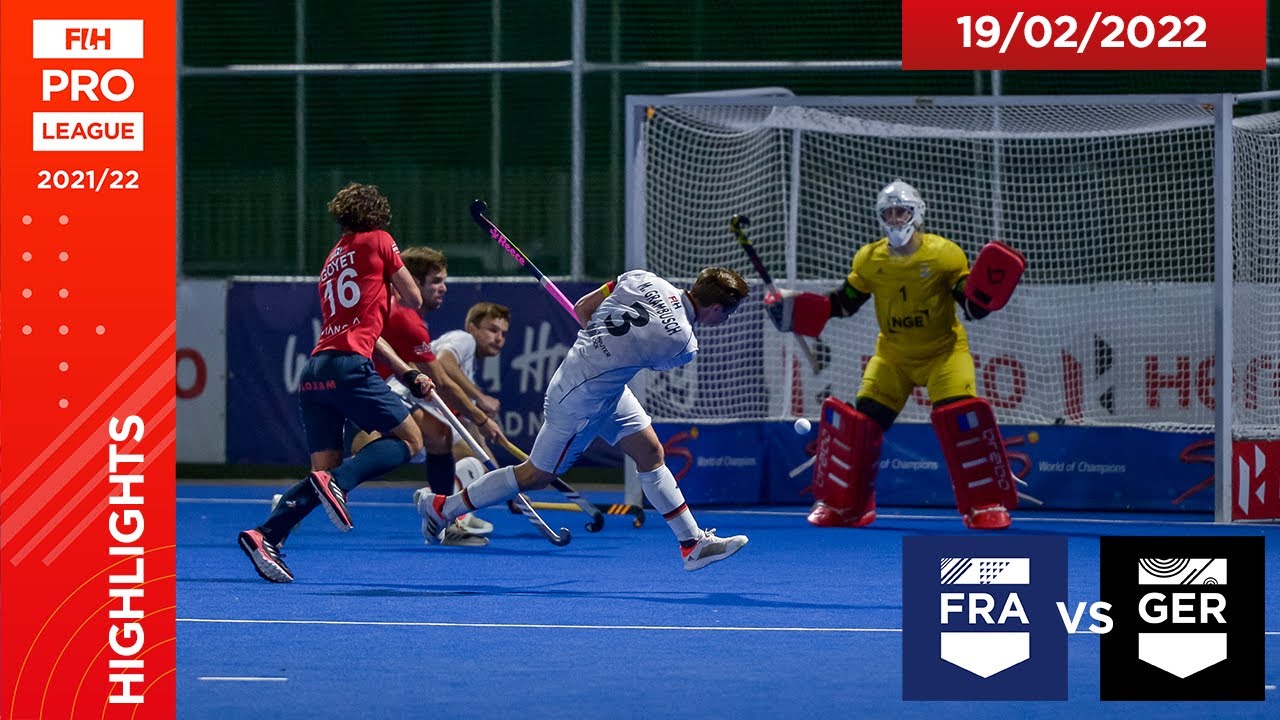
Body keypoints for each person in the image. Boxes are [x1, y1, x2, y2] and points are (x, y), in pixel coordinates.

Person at [417, 267, 753, 571]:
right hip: (581, 401)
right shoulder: (684, 343)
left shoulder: (643, 278)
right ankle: (443, 507)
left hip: (603, 387)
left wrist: (599, 342)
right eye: (729, 313)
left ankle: (692, 544)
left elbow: (582, 309)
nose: (725, 320)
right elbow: (650, 360)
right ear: (716, 308)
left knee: (650, 452)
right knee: (535, 475)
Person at [766, 179, 1026, 530]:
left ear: (916, 214)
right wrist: (795, 310)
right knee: (859, 427)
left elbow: (969, 302)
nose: (895, 218)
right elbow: (843, 304)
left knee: (961, 421)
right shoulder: (869, 259)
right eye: (888, 213)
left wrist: (983, 298)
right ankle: (848, 505)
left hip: (944, 354)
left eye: (901, 211)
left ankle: (985, 504)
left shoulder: (944, 253)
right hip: (893, 357)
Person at [238, 182, 436, 583]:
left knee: (319, 470)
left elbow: (365, 327)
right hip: (349, 367)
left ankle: (266, 535)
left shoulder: (332, 259)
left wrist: (405, 371)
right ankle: (341, 482)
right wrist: (391, 285)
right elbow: (414, 298)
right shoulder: (380, 240)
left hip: (316, 370)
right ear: (378, 214)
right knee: (411, 440)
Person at [353, 247, 505, 546]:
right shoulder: (419, 323)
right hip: (366, 389)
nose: (443, 288)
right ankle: (301, 498)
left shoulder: (407, 314)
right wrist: (481, 413)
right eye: (436, 281)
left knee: (439, 436)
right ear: (414, 282)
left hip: (383, 389)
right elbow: (443, 376)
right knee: (378, 453)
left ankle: (443, 520)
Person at [413, 301, 511, 534]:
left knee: (477, 466)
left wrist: (508, 490)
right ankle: (437, 502)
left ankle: (444, 510)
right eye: (492, 330)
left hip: (430, 420)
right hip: (412, 406)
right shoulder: (463, 339)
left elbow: (479, 446)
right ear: (472, 328)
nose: (499, 338)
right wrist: (480, 397)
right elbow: (444, 363)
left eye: (504, 333)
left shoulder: (466, 377)